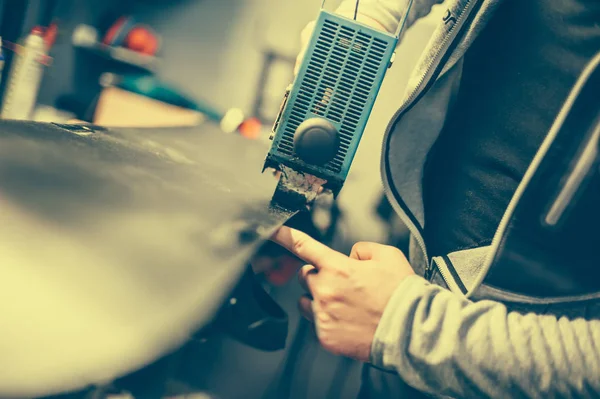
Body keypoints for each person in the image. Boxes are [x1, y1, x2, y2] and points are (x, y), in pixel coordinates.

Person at [263, 0, 600, 397]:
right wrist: (372, 17)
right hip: (409, 318)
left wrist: (412, 326)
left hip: (498, 360)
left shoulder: (414, 325)